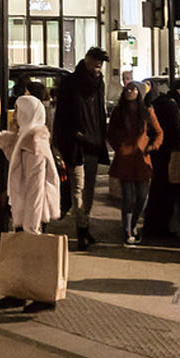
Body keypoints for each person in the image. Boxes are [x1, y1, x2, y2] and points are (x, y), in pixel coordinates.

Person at [0, 93, 63, 313]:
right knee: (23, 254)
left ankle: (43, 296)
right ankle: (19, 293)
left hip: (33, 209)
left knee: (34, 253)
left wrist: (31, 223)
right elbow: (17, 168)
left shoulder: (34, 142)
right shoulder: (26, 137)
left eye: (17, 111)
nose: (13, 116)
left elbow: (35, 185)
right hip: (24, 205)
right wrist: (8, 142)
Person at [52, 47, 110, 250]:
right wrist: (65, 137)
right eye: (95, 61)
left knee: (89, 190)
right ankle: (82, 229)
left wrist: (102, 136)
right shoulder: (70, 83)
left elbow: (100, 112)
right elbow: (61, 115)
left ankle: (85, 224)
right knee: (78, 188)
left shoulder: (99, 84)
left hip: (93, 144)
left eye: (101, 62)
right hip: (75, 145)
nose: (98, 65)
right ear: (86, 60)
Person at [106, 80, 163, 245]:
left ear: (139, 93)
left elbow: (159, 132)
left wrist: (152, 146)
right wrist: (119, 147)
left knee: (142, 197)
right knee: (128, 198)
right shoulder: (119, 111)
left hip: (141, 159)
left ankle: (132, 224)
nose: (130, 91)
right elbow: (110, 134)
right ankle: (128, 230)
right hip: (125, 159)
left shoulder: (146, 111)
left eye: (133, 89)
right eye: (127, 89)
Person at [144, 79, 180, 240]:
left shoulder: (162, 102)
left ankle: (151, 226)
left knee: (156, 190)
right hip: (166, 154)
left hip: (157, 152)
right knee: (165, 192)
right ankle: (159, 228)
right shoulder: (172, 105)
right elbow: (174, 131)